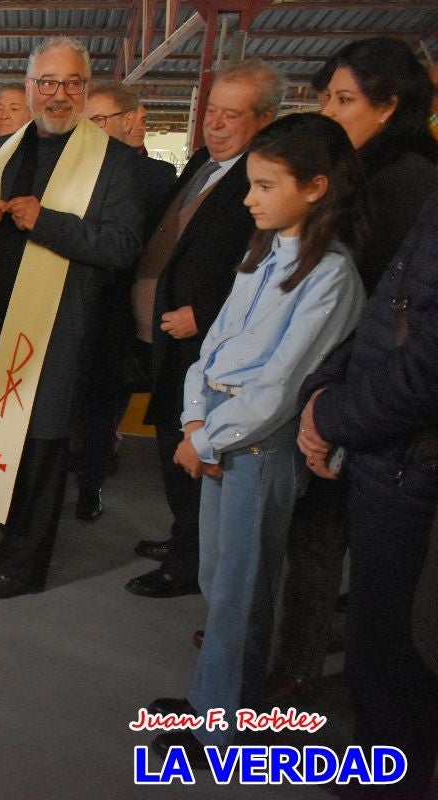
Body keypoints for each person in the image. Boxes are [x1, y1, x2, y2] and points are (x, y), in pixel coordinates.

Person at [149, 113, 366, 763]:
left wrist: (207, 439)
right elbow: (213, 348)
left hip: (256, 446)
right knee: (220, 578)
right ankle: (215, 694)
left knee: (243, 592)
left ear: (316, 187)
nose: (249, 198)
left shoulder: (331, 277)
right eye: (251, 184)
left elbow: (282, 385)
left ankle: (219, 727)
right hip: (219, 429)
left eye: (266, 185)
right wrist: (194, 420)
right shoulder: (263, 251)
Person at [271, 37, 438, 699]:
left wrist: (328, 408)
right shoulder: (369, 172)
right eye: (324, 97)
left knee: (321, 537)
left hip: (376, 411)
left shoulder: (406, 184)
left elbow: (379, 313)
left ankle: (297, 666)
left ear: (389, 105)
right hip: (346, 387)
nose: (329, 112)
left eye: (344, 99)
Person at [0, 37, 143, 599]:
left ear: (86, 90)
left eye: (71, 84)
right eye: (46, 83)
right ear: (30, 84)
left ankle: (26, 565)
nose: (58, 95)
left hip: (55, 327)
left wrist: (49, 222)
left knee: (39, 446)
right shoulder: (9, 148)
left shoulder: (111, 159)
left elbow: (122, 245)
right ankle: (8, 543)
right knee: (2, 438)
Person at [297, 192, 438, 800]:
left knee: (398, 645)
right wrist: (325, 390)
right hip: (388, 455)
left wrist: (332, 415)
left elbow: (426, 373)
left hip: (412, 462)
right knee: (377, 640)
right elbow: (388, 314)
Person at [127, 59, 283, 599]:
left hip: (203, 343)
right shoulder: (204, 162)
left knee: (192, 454)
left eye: (230, 116)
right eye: (210, 112)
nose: (214, 125)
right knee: (173, 449)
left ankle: (189, 562)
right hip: (164, 336)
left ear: (264, 119)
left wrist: (208, 311)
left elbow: (265, 263)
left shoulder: (262, 178)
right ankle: (183, 538)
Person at [72, 81, 178, 521]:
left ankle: (90, 485)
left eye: (100, 120)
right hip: (73, 301)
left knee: (101, 402)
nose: (92, 130)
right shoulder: (74, 170)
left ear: (133, 119)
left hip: (118, 309)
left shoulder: (156, 178)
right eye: (87, 122)